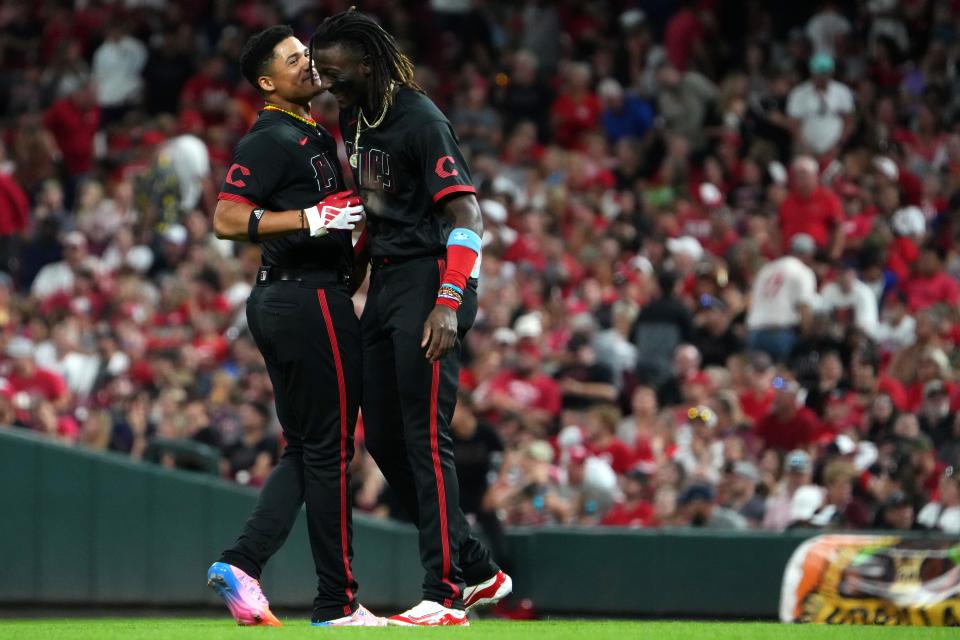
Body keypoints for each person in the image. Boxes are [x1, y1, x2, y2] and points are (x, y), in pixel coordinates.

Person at [311, 10, 511, 626]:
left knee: (426, 436)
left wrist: (449, 302)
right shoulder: (354, 116)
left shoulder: (421, 119)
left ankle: (445, 593)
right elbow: (382, 206)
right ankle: (475, 566)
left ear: (368, 64)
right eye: (322, 71)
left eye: (336, 71)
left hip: (432, 279)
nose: (326, 82)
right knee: (385, 438)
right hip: (390, 279)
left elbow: (466, 217)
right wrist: (356, 265)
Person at [205, 25, 383, 628]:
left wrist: (354, 234)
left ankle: (242, 561)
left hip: (291, 300)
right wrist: (313, 216)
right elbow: (227, 218)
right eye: (293, 59)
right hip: (307, 305)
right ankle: (338, 602)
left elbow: (330, 231)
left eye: (306, 53)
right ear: (266, 82)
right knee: (330, 452)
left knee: (306, 448)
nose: (308, 64)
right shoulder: (273, 136)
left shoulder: (311, 131)